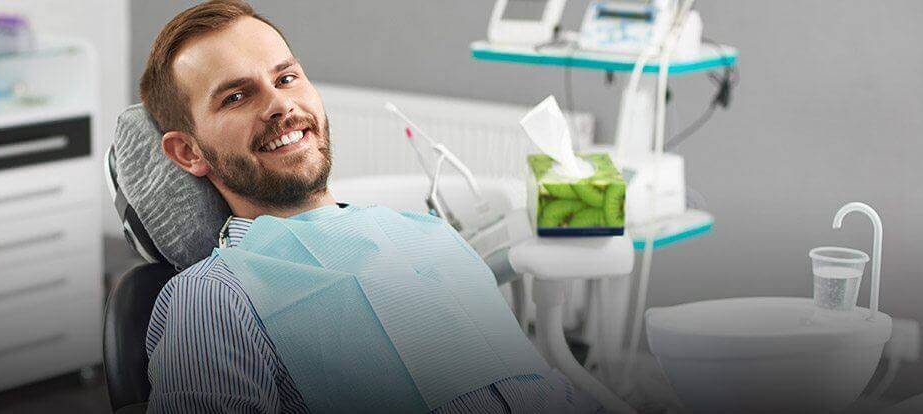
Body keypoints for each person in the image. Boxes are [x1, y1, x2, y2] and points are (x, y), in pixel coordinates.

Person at [140, 1, 603, 412]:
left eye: (286, 78)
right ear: (189, 152)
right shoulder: (215, 299)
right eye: (237, 97)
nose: (281, 104)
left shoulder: (428, 234)